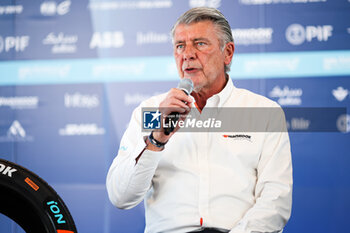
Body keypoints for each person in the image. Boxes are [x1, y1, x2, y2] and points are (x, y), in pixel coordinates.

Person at [106, 7, 292, 233]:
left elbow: (276, 200)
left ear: (228, 53)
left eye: (200, 43)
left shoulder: (264, 111)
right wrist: (156, 139)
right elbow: (120, 196)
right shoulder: (150, 112)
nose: (187, 54)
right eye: (180, 46)